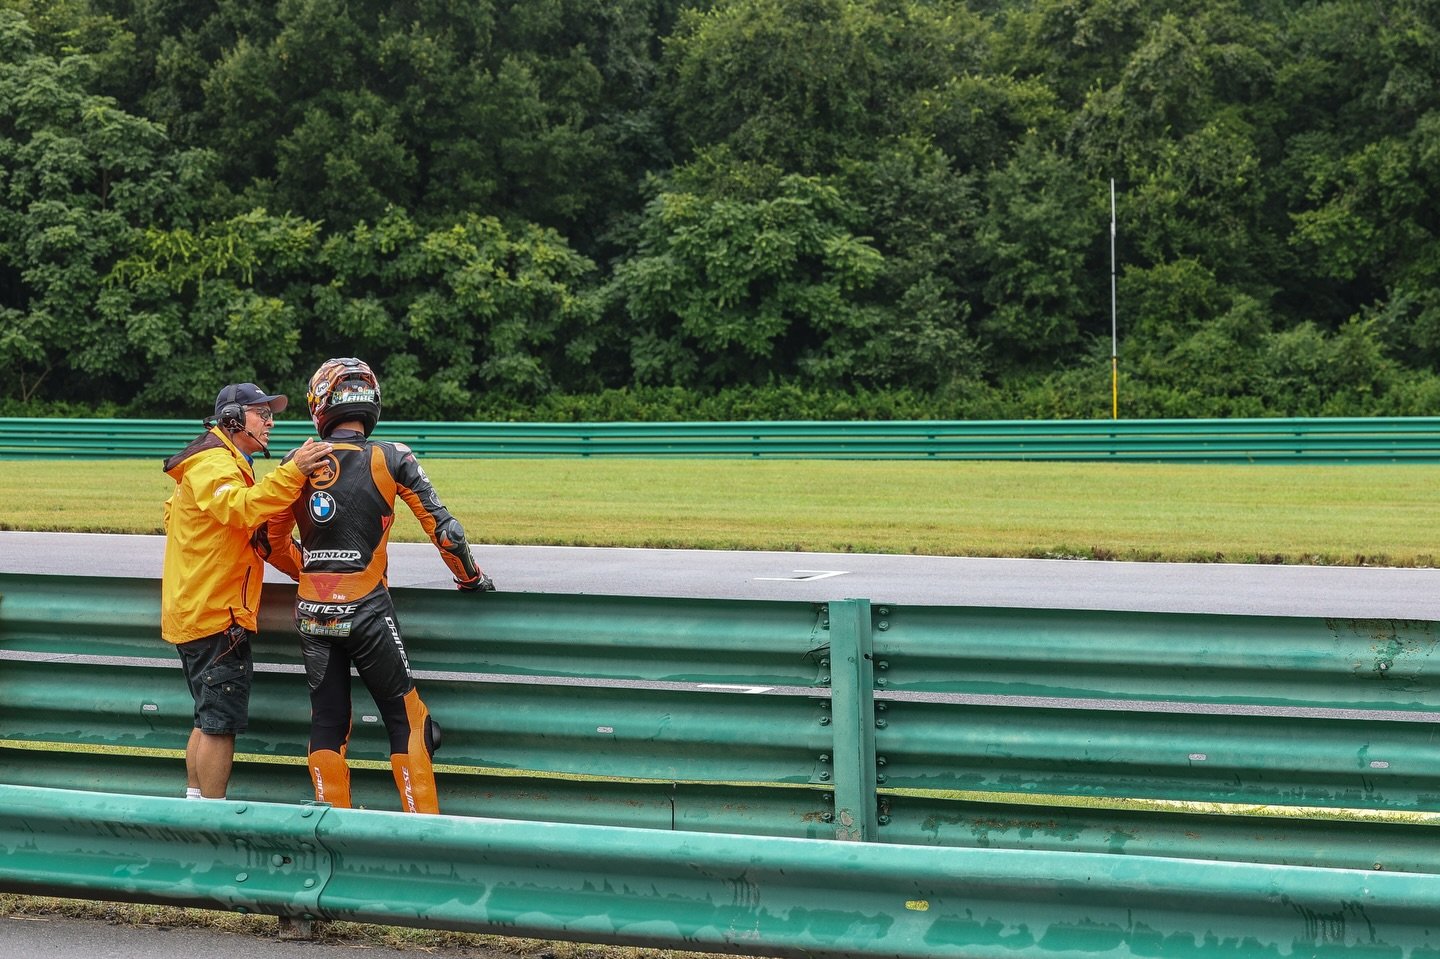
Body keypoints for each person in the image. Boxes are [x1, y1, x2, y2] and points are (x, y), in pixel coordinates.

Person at [264, 357, 494, 814]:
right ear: (370, 403)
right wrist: (470, 579)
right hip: (369, 609)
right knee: (408, 720)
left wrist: (312, 570)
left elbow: (267, 540)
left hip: (311, 612)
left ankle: (333, 836)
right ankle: (421, 832)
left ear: (320, 404)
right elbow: (448, 533)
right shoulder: (393, 456)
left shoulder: (296, 461)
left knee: (328, 723)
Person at [161, 382, 333, 800]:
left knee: (206, 720)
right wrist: (293, 472)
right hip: (215, 615)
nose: (271, 421)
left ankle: (196, 807)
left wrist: (309, 571)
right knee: (219, 725)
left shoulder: (223, 463)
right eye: (262, 413)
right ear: (233, 419)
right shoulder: (213, 463)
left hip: (200, 611)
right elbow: (242, 509)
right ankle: (213, 817)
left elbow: (256, 537)